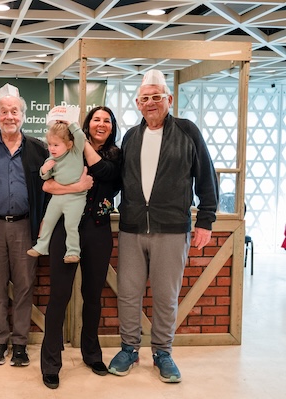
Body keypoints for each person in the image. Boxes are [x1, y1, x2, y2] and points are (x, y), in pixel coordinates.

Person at [108, 70, 218, 383]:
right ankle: (129, 347)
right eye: (146, 98)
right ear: (138, 104)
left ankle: (162, 351)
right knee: (128, 293)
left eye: (158, 97)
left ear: (169, 99)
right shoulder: (131, 136)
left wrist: (206, 219)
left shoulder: (186, 131)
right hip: (131, 228)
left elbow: (206, 175)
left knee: (166, 296)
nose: (152, 103)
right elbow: (118, 179)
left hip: (171, 228)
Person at [40, 106, 121, 389]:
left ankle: (92, 354)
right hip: (66, 229)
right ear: (87, 123)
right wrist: (75, 188)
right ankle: (50, 364)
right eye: (96, 119)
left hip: (98, 232)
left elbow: (102, 171)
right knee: (58, 297)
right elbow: (47, 186)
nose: (101, 124)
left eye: (107, 120)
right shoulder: (67, 147)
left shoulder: (115, 155)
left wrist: (82, 141)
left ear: (112, 127)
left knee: (93, 297)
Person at [0, 83, 50, 367]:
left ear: (23, 115)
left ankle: (20, 344)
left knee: (24, 286)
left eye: (14, 111)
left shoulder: (39, 149)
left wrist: (44, 222)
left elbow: (48, 189)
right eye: (3, 111)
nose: (9, 116)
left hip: (26, 227)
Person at [27, 106, 88, 264]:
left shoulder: (75, 152)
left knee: (71, 224)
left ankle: (73, 251)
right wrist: (44, 170)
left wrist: (72, 124)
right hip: (57, 197)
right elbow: (45, 177)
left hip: (76, 198)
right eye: (50, 145)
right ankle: (41, 246)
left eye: (56, 145)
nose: (52, 148)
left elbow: (80, 137)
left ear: (68, 145)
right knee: (47, 221)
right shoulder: (51, 160)